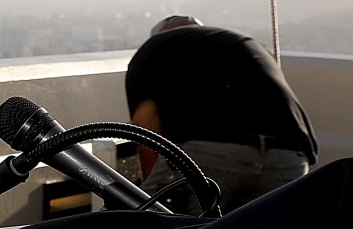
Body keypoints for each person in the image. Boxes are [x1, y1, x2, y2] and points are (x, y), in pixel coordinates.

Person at [125, 17, 317, 211]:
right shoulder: (245, 43)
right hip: (290, 158)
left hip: (213, 154)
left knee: (156, 224)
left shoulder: (154, 48)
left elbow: (146, 128)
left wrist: (149, 188)